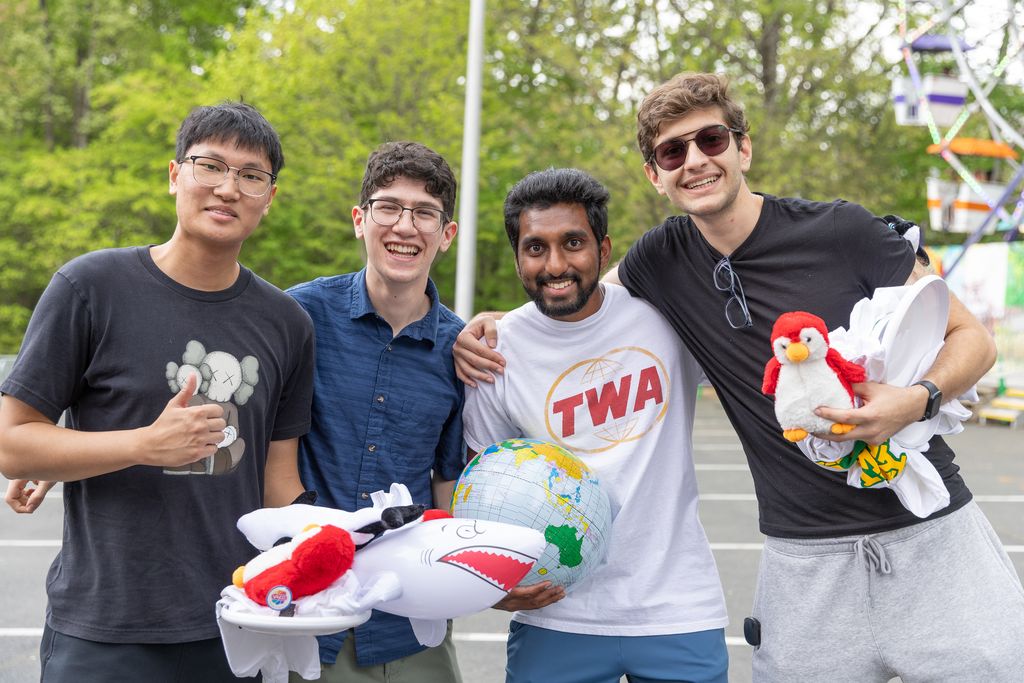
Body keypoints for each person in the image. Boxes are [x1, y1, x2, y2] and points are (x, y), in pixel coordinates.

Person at [456, 73, 1024, 682]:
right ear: (655, 174)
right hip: (803, 563)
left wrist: (915, 400)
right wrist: (499, 323)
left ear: (743, 148)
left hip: (931, 533)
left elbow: (972, 337)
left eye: (711, 140)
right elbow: (578, 287)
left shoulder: (842, 231)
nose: (695, 160)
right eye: (673, 151)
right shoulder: (661, 260)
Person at [0, 102, 315, 682]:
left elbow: (278, 484)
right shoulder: (90, 287)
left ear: (269, 196)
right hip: (104, 629)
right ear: (175, 175)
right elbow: (13, 445)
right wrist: (144, 444)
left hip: (236, 624)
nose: (228, 188)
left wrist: (346, 543)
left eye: (251, 175)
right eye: (209, 166)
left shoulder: (287, 323)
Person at [463, 168, 729, 683]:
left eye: (573, 243)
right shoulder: (494, 353)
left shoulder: (667, 319)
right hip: (555, 613)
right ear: (517, 257)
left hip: (677, 608)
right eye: (535, 247)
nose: (555, 264)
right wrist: (490, 582)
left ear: (603, 250)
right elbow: (479, 492)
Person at [284, 141, 465, 683]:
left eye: (425, 213)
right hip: (310, 609)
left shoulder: (460, 349)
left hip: (411, 613)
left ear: (447, 234)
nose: (405, 226)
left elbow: (448, 481)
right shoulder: (299, 317)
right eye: (388, 207)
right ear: (360, 220)